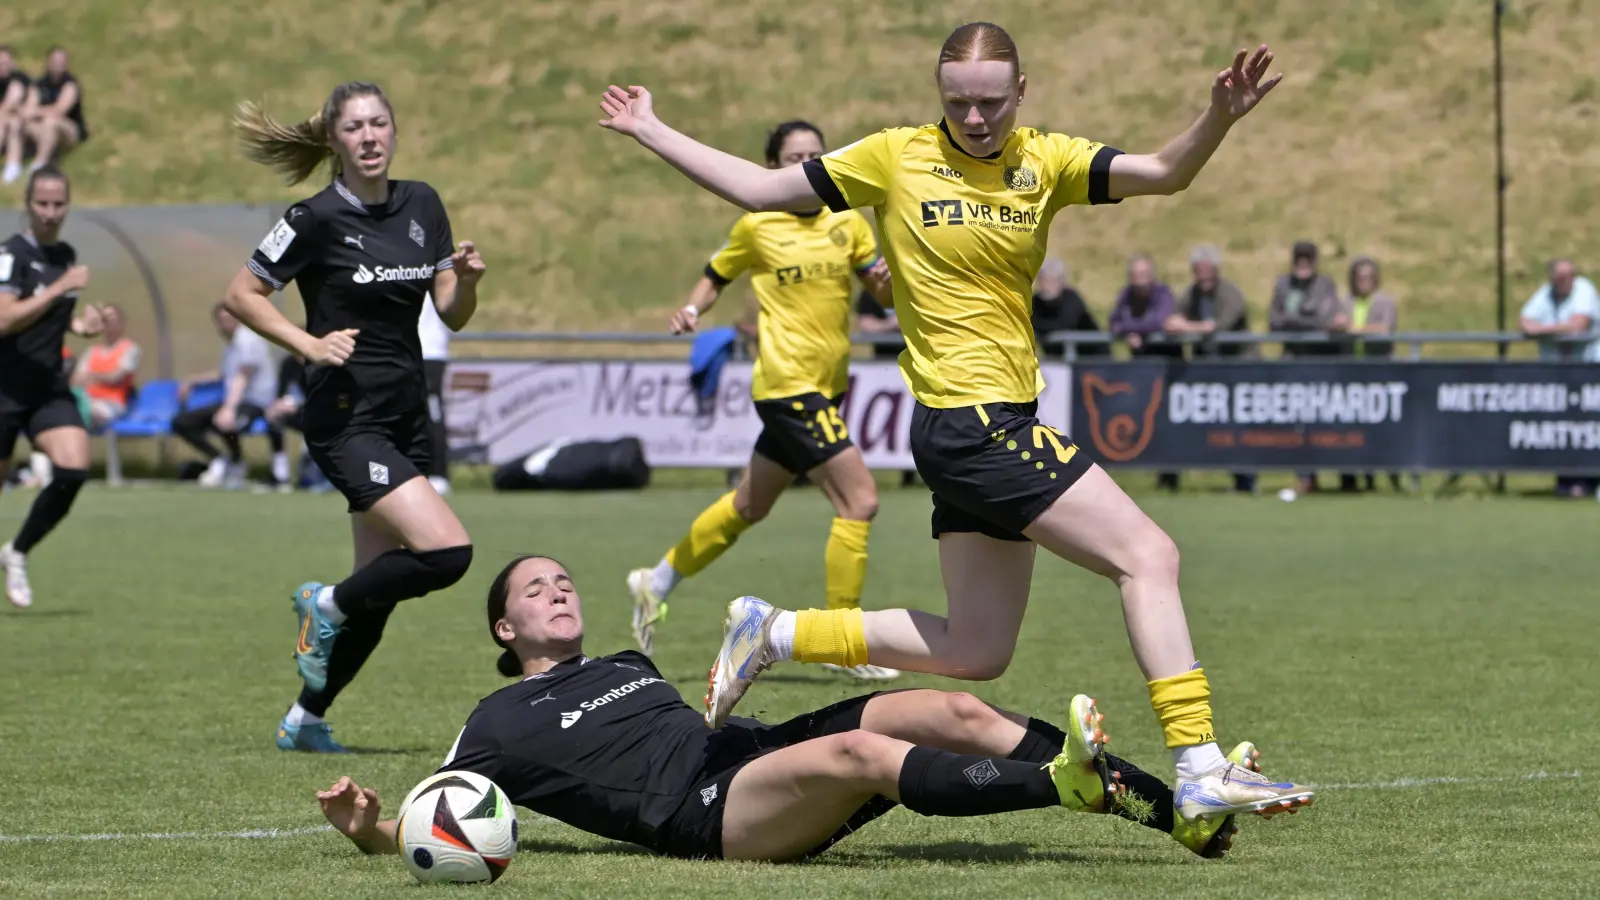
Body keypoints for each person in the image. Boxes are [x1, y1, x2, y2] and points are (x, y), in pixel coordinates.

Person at [597, 22, 1314, 819]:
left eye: (991, 103)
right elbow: (761, 190)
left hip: (990, 421)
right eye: (958, 103)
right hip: (972, 425)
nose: (975, 119)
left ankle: (780, 632)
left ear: (1022, 92)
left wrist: (1218, 117)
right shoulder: (894, 156)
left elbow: (1164, 173)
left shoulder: (1047, 159)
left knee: (977, 649)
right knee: (1149, 554)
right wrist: (651, 129)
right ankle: (1200, 762)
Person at [316, 555, 1288, 864]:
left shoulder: (620, 655)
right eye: (535, 589)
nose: (558, 591)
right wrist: (372, 830)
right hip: (703, 816)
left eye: (564, 580)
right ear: (502, 627)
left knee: (941, 709)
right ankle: (1058, 782)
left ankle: (1180, 815)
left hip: (742, 752)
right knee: (858, 761)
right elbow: (434, 810)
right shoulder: (496, 722)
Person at [225, 81, 485, 751]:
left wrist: (469, 280)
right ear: (335, 141)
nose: (369, 136)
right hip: (346, 419)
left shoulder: (422, 203)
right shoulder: (312, 218)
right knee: (448, 552)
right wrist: (309, 344)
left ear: (394, 133)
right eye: (354, 128)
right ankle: (327, 602)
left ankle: (304, 720)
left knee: (384, 591)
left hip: (404, 416)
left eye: (379, 124)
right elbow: (242, 293)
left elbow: (449, 309)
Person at [626, 120, 899, 681]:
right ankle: (844, 642)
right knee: (861, 500)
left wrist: (904, 270)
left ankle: (655, 581)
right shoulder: (757, 225)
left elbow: (883, 289)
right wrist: (693, 310)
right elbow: (715, 274)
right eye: (794, 157)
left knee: (750, 505)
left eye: (816, 156)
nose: (806, 165)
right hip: (786, 386)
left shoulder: (847, 222)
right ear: (772, 167)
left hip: (828, 387)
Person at [0, 165, 101, 608]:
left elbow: (49, 320)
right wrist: (61, 286)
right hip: (3, 388)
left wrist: (82, 324)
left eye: (59, 204)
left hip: (46, 387)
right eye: (42, 203)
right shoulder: (10, 254)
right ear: (28, 203)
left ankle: (16, 552)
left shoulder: (65, 253)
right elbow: (4, 319)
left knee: (74, 470)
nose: (51, 212)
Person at [1164, 244, 1255, 493]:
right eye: (1198, 270)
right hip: (1209, 370)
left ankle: (1246, 481)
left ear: (1216, 270)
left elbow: (1218, 326)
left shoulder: (1230, 293)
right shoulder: (1191, 294)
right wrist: (1178, 324)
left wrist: (1186, 326)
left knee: (1239, 426)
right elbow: (1175, 319)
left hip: (1238, 369)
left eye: (1207, 270)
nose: (1202, 275)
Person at [172, 303, 279, 488]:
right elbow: (225, 375)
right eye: (222, 320)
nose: (226, 324)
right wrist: (192, 381)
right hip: (234, 400)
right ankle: (219, 459)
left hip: (255, 402)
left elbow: (242, 377)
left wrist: (228, 408)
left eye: (230, 319)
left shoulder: (248, 340)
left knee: (224, 420)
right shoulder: (230, 345)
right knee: (182, 422)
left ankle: (237, 464)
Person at [1518, 258, 1600, 497]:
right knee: (1564, 430)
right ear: (1552, 279)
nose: (1567, 281)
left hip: (1590, 373)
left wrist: (1543, 331)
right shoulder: (1545, 294)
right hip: (1561, 376)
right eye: (1562, 277)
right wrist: (1556, 330)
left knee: (1590, 429)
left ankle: (1589, 480)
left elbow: (1579, 325)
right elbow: (1524, 322)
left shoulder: (1583, 289)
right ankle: (1569, 482)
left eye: (1570, 275)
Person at [70, 303, 140, 429]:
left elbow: (115, 377)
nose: (111, 323)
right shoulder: (92, 351)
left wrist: (91, 377)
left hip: (112, 403)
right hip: (87, 400)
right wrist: (99, 378)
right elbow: (76, 379)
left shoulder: (129, 348)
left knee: (85, 414)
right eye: (106, 319)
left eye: (114, 318)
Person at [21, 48, 87, 173]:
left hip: (68, 129)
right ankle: (15, 162)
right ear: (48, 62)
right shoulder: (38, 84)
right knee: (21, 123)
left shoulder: (70, 84)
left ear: (66, 64)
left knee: (50, 121)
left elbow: (59, 111)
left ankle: (40, 163)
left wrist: (36, 111)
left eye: (61, 62)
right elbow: (28, 109)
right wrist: (32, 112)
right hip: (42, 127)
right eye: (54, 62)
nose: (57, 65)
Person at [1031, 256, 1107, 358]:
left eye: (1052, 280)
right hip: (1058, 360)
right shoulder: (1035, 302)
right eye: (1043, 280)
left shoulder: (1071, 299)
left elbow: (1064, 325)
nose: (1046, 285)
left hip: (1091, 357)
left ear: (1061, 281)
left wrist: (1041, 331)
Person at [1108, 253, 1181, 359]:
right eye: (1134, 276)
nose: (1139, 281)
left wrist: (1130, 330)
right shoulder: (1126, 294)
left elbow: (1157, 323)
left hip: (1167, 361)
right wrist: (1128, 333)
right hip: (1140, 361)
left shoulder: (1163, 294)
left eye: (1143, 275)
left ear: (1152, 276)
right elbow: (1113, 321)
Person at [417, 293, 452, 495]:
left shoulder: (434, 267)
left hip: (429, 352)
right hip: (408, 350)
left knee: (432, 413)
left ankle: (439, 473)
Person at [0, 46, 31, 185]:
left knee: (10, 123)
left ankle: (13, 165)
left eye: (6, 63)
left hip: (25, 123)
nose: (2, 66)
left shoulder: (18, 79)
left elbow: (11, 102)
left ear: (12, 63)